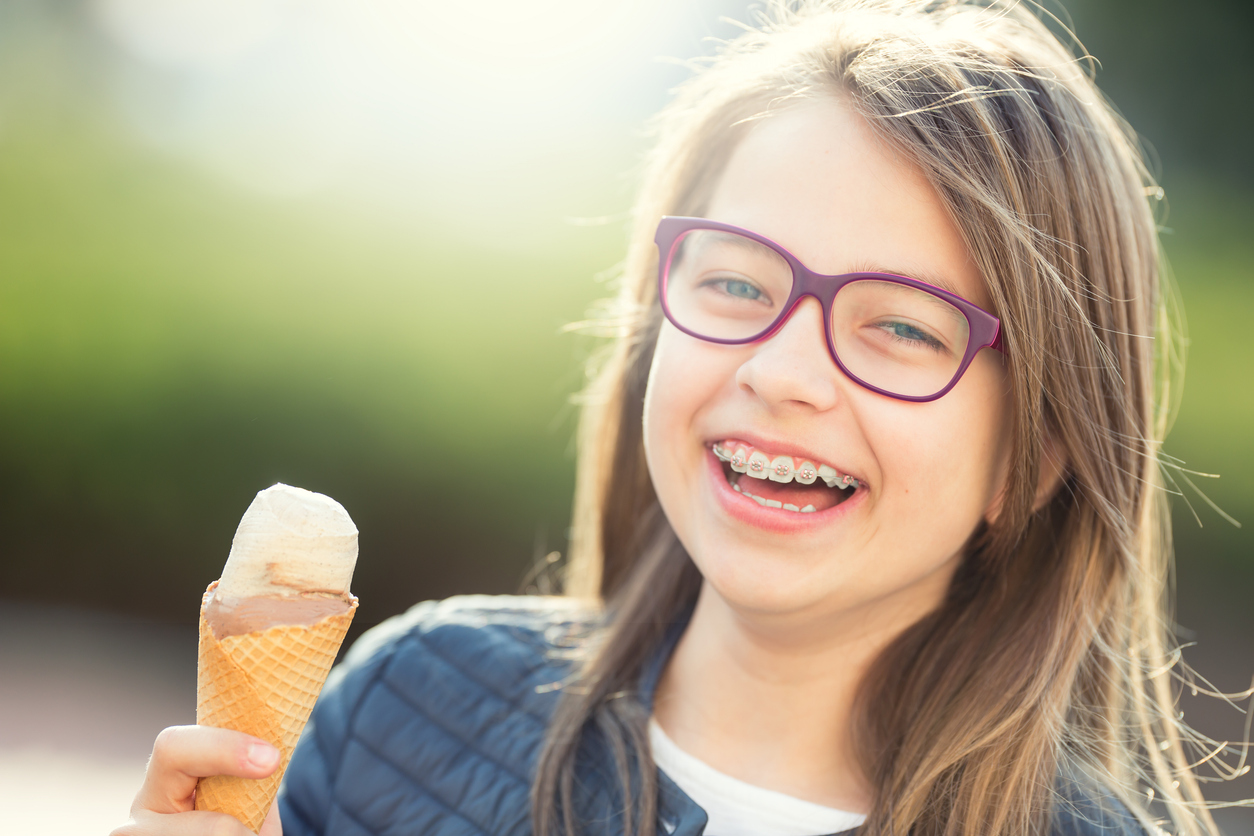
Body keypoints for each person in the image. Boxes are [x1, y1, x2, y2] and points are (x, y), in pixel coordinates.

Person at [114, 1, 1230, 834]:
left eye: (903, 328)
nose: (784, 371)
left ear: (1030, 461)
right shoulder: (402, 704)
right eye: (739, 283)